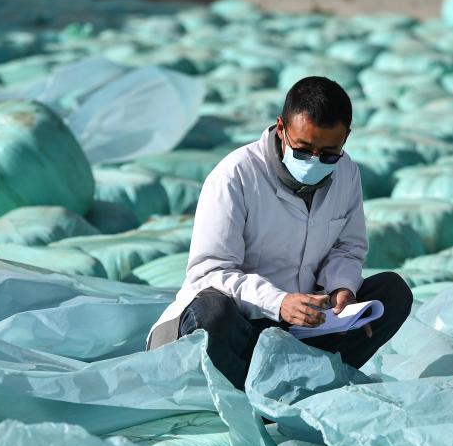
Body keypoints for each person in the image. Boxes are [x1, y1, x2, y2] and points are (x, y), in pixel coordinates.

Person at [147, 76, 412, 388]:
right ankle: (246, 392)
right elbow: (210, 272)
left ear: (346, 138)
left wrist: (342, 290)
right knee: (214, 312)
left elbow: (347, 248)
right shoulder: (235, 176)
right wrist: (279, 302)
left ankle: (305, 381)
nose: (314, 161)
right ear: (282, 128)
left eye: (329, 153)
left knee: (392, 293)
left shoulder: (347, 172)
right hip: (237, 322)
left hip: (296, 328)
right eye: (303, 150)